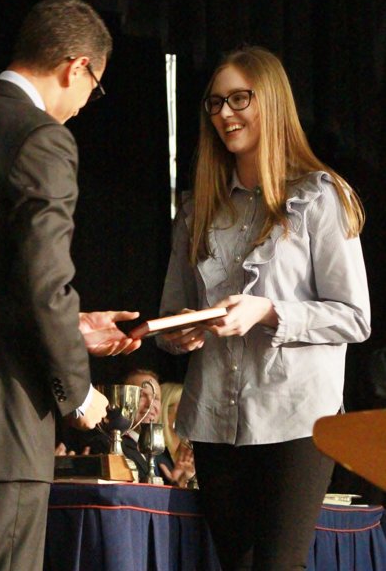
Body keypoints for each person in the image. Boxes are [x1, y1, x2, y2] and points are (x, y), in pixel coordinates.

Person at [0, 0, 141, 571]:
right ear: (77, 66)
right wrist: (80, 392)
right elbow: (44, 283)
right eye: (94, 88)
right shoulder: (41, 138)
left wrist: (74, 326)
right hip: (0, 430)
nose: (87, 104)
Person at [156, 45, 371, 570]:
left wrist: (269, 310)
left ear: (271, 102)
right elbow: (173, 316)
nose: (224, 114)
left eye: (238, 99)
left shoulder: (321, 197)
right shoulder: (198, 210)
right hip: (214, 422)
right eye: (214, 104)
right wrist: (180, 334)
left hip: (296, 419)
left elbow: (355, 317)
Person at [158, 382, 196, 488]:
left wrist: (186, 479)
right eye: (184, 406)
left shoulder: (187, 453)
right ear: (165, 410)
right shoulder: (156, 453)